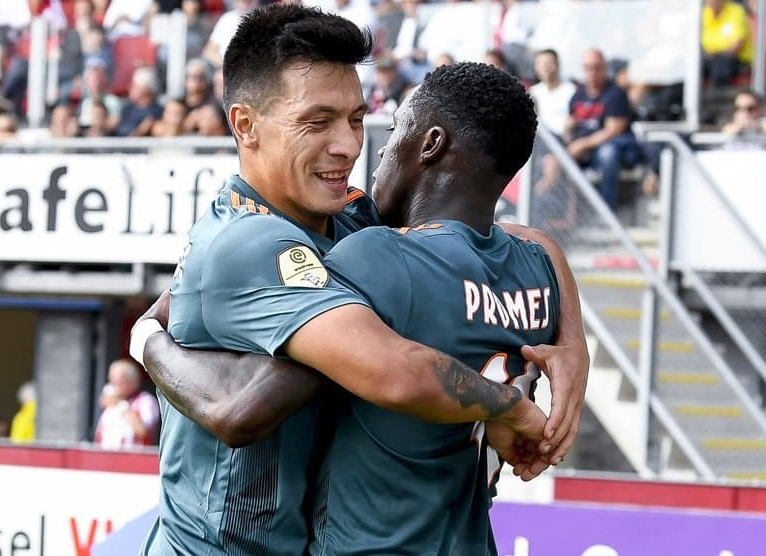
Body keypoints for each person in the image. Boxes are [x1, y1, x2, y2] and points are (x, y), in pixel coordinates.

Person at [133, 6, 587, 555]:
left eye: (355, 118)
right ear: (245, 126)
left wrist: (572, 344)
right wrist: (510, 405)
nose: (348, 144)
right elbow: (252, 407)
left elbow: (495, 232)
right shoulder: (249, 244)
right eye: (316, 122)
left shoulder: (350, 218)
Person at [313, 60, 566, 556]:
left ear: (430, 144)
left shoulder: (376, 256)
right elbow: (532, 243)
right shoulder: (542, 269)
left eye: (395, 131)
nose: (382, 148)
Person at [564, 48, 642, 210]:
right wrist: (569, 138)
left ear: (605, 68)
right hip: (584, 148)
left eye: (597, 68)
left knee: (608, 153)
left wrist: (583, 144)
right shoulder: (578, 94)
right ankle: (565, 212)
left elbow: (614, 130)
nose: (592, 73)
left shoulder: (615, 93)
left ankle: (606, 210)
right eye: (588, 68)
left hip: (614, 148)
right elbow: (570, 123)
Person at [94, 359, 160, 448]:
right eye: (112, 381)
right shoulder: (111, 401)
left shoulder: (146, 401)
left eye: (120, 382)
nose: (114, 386)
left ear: (132, 382)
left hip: (134, 458)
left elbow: (144, 431)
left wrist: (122, 405)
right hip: (105, 457)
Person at [701, 0, 753, 88]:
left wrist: (715, 52)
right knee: (691, 68)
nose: (712, 2)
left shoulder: (736, 11)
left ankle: (717, 99)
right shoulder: (704, 12)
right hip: (709, 58)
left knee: (721, 65)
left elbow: (737, 45)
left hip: (736, 58)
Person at [115, 67, 163, 136]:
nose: (130, 88)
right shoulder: (126, 109)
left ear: (146, 89)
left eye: (135, 86)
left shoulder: (157, 111)